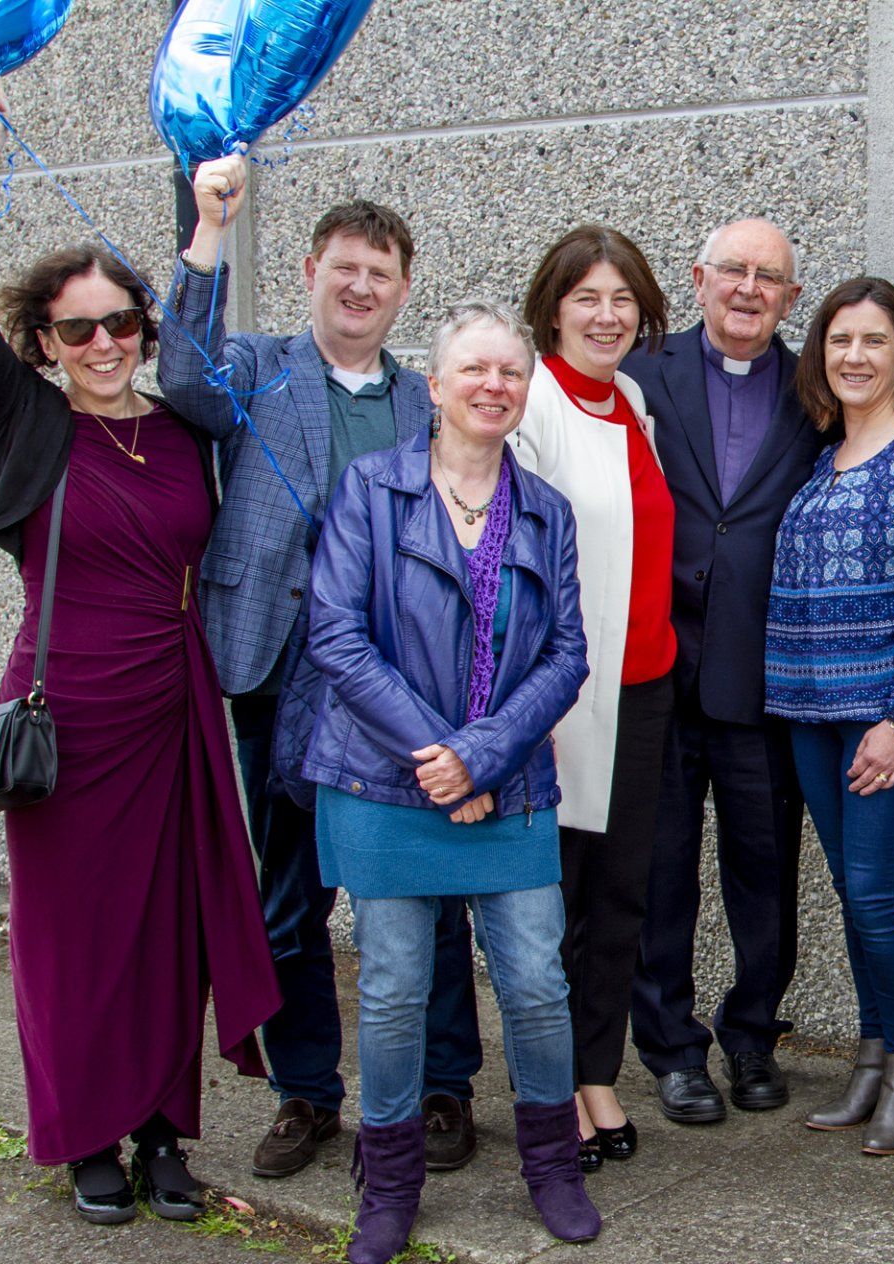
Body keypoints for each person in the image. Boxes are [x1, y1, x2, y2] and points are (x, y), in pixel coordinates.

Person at [0, 73, 279, 1225]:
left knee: (167, 932)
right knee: (73, 941)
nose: (103, 342)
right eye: (77, 327)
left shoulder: (185, 425)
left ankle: (161, 1131)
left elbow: (202, 327)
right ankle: (85, 1132)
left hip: (173, 704)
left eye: (121, 322)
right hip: (68, 712)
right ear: (44, 341)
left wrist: (211, 222)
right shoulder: (28, 422)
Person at [159, 155, 483, 1176]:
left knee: (424, 887)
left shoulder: (422, 402)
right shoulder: (255, 369)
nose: (359, 288)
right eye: (344, 268)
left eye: (379, 274)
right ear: (310, 271)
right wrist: (209, 231)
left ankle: (442, 1086)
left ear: (402, 290)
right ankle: (306, 1092)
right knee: (288, 895)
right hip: (271, 674)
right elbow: (176, 372)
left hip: (394, 689)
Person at [301, 300, 594, 1264]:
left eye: (510, 373)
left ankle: (553, 1167)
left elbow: (565, 655)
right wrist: (442, 756)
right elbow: (337, 636)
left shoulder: (546, 511)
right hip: (389, 784)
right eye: (473, 370)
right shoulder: (370, 489)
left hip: (507, 788)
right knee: (390, 989)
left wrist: (486, 755)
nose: (493, 386)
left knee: (538, 986)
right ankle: (388, 1183)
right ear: (434, 384)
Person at [624, 218, 821, 1123]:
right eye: (733, 272)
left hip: (762, 675)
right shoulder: (641, 372)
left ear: (790, 297)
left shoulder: (816, 391)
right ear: (698, 279)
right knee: (659, 870)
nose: (749, 290)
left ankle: (751, 1036)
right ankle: (670, 1048)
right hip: (659, 672)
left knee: (764, 868)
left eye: (769, 278)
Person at [765, 277, 894, 1154]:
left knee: (878, 891)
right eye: (840, 340)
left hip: (884, 713)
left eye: (874, 341)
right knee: (852, 889)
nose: (854, 356)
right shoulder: (821, 458)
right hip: (808, 705)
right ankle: (872, 1057)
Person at [510, 225, 674, 1168]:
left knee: (619, 895)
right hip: (562, 695)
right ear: (554, 306)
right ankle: (550, 1088)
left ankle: (596, 1072)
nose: (607, 316)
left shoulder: (634, 402)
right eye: (588, 299)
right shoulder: (530, 405)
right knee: (552, 899)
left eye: (622, 300)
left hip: (644, 685)